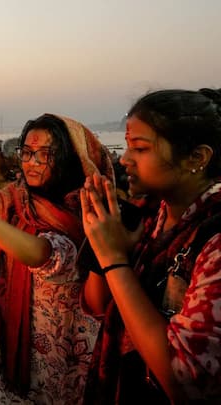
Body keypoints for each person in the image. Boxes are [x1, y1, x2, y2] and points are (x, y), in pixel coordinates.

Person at [0, 113, 114, 404]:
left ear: (71, 156)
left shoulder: (89, 207)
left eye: (45, 154)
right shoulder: (13, 200)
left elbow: (44, 254)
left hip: (66, 356)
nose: (32, 162)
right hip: (16, 348)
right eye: (27, 152)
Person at [80, 88, 221, 403]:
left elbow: (180, 380)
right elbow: (97, 304)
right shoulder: (147, 214)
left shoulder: (213, 238)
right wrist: (101, 236)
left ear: (196, 158)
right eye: (127, 145)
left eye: (140, 148)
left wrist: (114, 259)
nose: (123, 159)